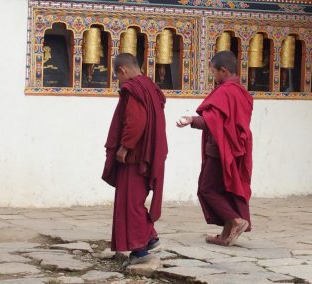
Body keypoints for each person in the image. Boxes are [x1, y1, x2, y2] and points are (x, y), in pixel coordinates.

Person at [177, 51, 253, 246]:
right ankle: (226, 234)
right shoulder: (242, 93)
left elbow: (214, 121)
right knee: (225, 190)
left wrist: (191, 120)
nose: (213, 76)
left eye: (214, 72)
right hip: (237, 148)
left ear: (224, 70)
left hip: (220, 150)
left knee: (206, 189)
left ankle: (236, 221)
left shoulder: (225, 92)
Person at [102, 53, 168, 266]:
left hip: (135, 155)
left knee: (131, 202)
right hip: (147, 153)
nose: (120, 82)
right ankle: (150, 237)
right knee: (135, 199)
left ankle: (140, 250)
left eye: (118, 77)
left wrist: (124, 147)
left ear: (122, 71)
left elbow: (136, 120)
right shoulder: (149, 86)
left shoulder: (133, 89)